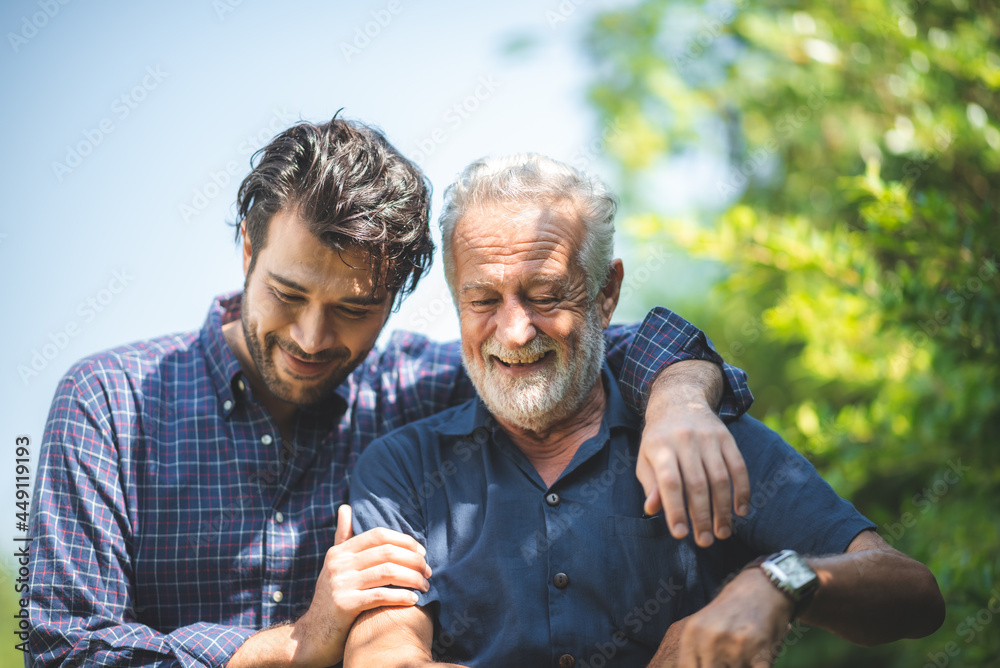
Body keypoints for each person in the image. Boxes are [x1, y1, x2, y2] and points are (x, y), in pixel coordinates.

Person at [27, 118, 756, 668]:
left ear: (399, 297)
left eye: (353, 310)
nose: (313, 338)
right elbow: (60, 650)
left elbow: (581, 344)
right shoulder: (107, 405)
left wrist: (680, 398)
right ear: (248, 252)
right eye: (286, 294)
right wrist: (291, 645)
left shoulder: (419, 386)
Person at [344, 153, 946, 667]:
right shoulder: (402, 467)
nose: (515, 331)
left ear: (606, 293)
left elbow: (914, 595)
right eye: (482, 299)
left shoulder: (700, 437)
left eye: (546, 295)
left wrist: (778, 581)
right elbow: (382, 651)